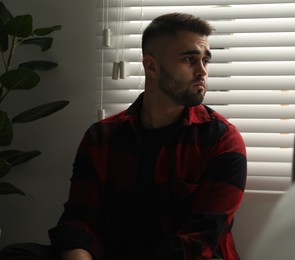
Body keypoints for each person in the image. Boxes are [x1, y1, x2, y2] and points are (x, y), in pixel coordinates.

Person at [0, 12, 247, 260]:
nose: (202, 71)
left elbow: (200, 238)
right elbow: (81, 216)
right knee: (16, 255)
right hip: (112, 253)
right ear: (151, 66)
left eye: (205, 60)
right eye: (189, 59)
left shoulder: (223, 141)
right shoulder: (102, 136)